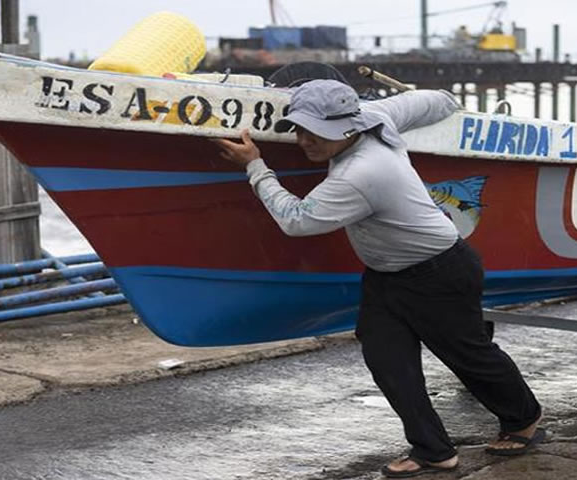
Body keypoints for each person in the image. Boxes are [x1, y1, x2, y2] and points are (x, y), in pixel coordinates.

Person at [213, 79, 543, 478]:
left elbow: (296, 220)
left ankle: (523, 418)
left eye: (317, 133)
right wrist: (445, 99)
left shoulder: (361, 172)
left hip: (440, 271)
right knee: (388, 361)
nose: (305, 141)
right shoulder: (376, 116)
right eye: (299, 129)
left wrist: (255, 166)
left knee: (469, 356)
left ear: (347, 128)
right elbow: (432, 101)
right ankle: (433, 449)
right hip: (387, 274)